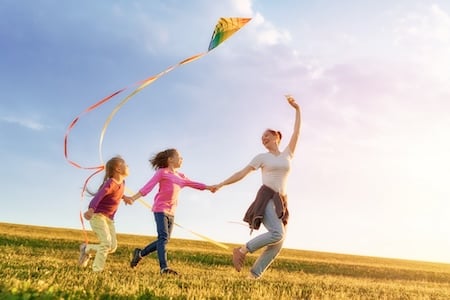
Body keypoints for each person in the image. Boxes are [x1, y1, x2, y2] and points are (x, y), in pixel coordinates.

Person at [213, 95, 301, 279]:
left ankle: (253, 276)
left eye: (266, 136)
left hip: (282, 201)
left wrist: (297, 109)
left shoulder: (287, 154)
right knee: (277, 233)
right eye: (262, 138)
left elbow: (296, 132)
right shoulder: (261, 157)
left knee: (278, 242)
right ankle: (243, 250)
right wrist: (221, 184)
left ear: (276, 136)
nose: (263, 139)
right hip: (267, 197)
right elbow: (241, 173)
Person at [123, 148, 215, 275]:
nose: (182, 159)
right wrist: (133, 198)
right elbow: (148, 187)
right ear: (170, 159)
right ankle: (164, 268)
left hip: (172, 212)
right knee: (163, 238)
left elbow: (194, 184)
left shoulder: (181, 176)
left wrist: (208, 187)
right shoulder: (162, 172)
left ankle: (140, 253)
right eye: (179, 156)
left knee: (164, 240)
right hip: (160, 209)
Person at [78, 156, 129, 272]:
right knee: (106, 243)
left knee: (112, 247)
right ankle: (97, 270)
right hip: (97, 217)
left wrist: (125, 197)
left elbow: (117, 193)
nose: (127, 166)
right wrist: (91, 209)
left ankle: (86, 249)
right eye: (124, 164)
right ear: (118, 169)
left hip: (109, 219)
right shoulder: (110, 183)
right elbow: (99, 196)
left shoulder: (122, 183)